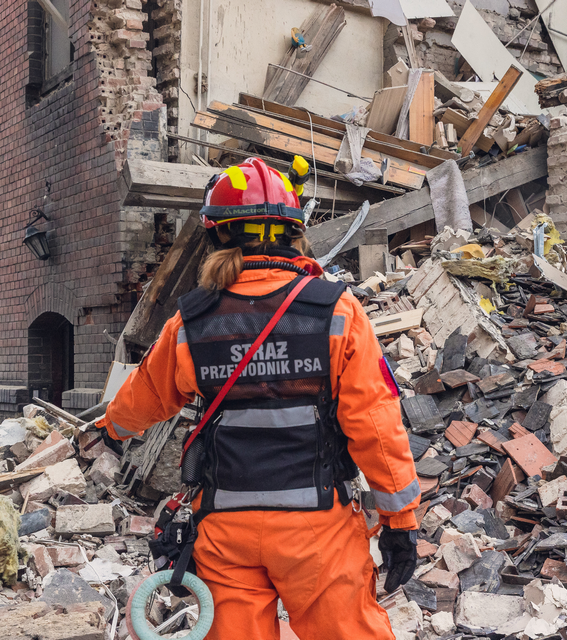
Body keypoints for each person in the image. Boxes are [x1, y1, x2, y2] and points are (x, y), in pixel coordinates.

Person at [98, 157, 420, 639]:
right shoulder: (337, 312)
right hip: (318, 529)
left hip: (225, 530)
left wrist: (109, 432)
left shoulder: (191, 322)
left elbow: (144, 397)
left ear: (217, 236)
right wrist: (400, 521)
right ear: (295, 232)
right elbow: (375, 425)